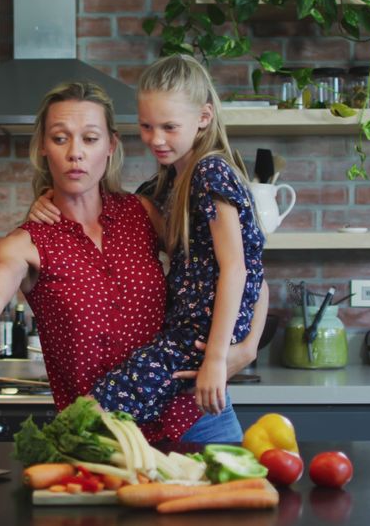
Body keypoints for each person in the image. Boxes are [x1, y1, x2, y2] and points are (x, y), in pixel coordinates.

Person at [0, 81, 266, 443]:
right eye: (60, 138)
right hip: (100, 439)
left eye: (90, 139)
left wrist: (246, 348)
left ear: (110, 145)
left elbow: (241, 271)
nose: (75, 153)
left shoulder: (145, 211)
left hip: (197, 420)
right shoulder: (27, 244)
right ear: (43, 145)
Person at [29, 55, 265, 426]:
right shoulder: (166, 185)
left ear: (203, 118)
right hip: (188, 332)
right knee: (116, 402)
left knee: (98, 408)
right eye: (146, 126)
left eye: (169, 127)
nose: (156, 139)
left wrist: (222, 356)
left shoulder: (210, 171)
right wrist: (51, 197)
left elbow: (241, 267)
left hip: (200, 335)